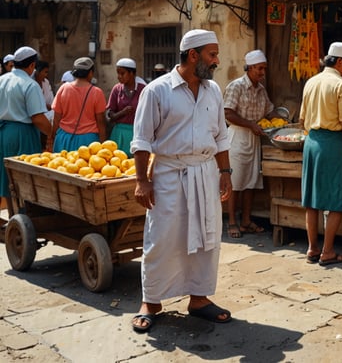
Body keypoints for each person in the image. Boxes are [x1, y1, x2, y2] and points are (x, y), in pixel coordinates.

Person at [130, 29, 233, 333]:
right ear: (193, 55)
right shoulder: (157, 91)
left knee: (207, 237)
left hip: (205, 172)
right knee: (162, 238)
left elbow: (220, 136)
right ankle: (151, 301)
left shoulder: (213, 90)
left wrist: (225, 173)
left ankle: (199, 299)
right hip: (168, 175)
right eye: (212, 55)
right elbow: (142, 140)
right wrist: (142, 181)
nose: (216, 61)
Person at [299, 42, 342, 266]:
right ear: (340, 61)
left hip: (312, 142)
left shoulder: (311, 82)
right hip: (333, 144)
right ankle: (328, 251)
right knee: (336, 198)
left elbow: (302, 120)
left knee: (312, 200)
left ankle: (312, 248)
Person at [223, 49, 280, 238]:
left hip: (254, 139)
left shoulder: (261, 90)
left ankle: (246, 220)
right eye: (259, 69)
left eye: (264, 69)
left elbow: (269, 111)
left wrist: (282, 121)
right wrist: (250, 125)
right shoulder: (236, 86)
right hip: (237, 137)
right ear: (249, 68)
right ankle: (232, 221)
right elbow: (227, 113)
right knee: (236, 182)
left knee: (250, 182)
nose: (262, 72)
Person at [0, 47, 52, 208]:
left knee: (6, 176)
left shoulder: (2, 80)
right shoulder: (30, 84)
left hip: (3, 132)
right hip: (23, 133)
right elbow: (37, 118)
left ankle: (11, 216)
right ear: (31, 66)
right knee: (25, 178)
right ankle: (24, 217)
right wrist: (51, 133)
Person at [50, 57, 107, 152]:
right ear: (90, 73)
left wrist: (52, 138)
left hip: (64, 138)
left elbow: (56, 119)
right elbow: (101, 122)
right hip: (88, 142)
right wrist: (103, 143)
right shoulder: (97, 92)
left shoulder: (63, 88)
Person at [106, 58, 146, 156]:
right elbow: (111, 114)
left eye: (122, 73)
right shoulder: (117, 89)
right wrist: (123, 112)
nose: (119, 76)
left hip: (137, 133)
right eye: (118, 73)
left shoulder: (143, 89)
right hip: (119, 133)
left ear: (132, 73)